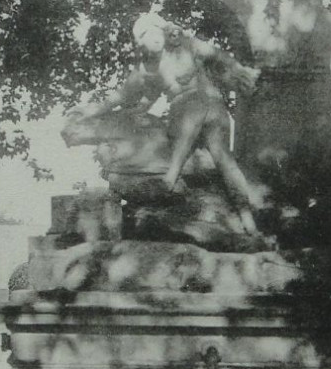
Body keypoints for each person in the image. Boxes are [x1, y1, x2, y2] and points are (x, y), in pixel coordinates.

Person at [101, 13, 265, 218]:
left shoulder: (185, 45)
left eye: (153, 32)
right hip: (202, 110)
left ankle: (172, 178)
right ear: (140, 42)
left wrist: (239, 70)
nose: (152, 39)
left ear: (162, 30)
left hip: (203, 108)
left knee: (219, 156)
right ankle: (246, 215)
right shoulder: (149, 67)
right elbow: (135, 96)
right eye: (145, 36)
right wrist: (121, 110)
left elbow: (216, 54)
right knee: (223, 160)